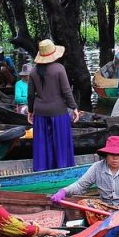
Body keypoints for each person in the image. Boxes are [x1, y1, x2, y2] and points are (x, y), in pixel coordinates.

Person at [51, 135, 119, 222]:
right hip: (105, 208)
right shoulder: (97, 167)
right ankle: (106, 224)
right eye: (111, 154)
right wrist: (63, 191)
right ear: (106, 155)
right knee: (83, 203)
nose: (115, 158)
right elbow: (80, 185)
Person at [28, 39, 80, 172]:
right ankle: (63, 168)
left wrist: (30, 111)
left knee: (42, 144)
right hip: (58, 111)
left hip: (40, 111)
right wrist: (74, 108)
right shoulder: (59, 69)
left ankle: (42, 169)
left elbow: (30, 95)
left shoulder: (33, 71)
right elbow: (67, 91)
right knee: (61, 142)